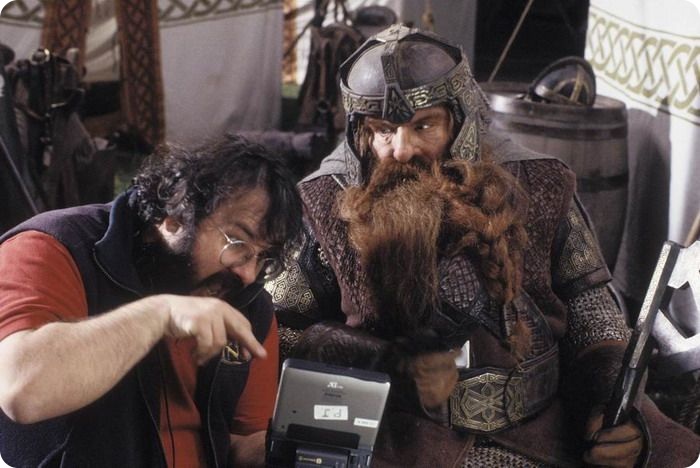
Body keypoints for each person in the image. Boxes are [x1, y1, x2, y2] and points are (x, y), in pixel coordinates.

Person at [266, 25, 700, 467]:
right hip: (393, 440)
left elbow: (591, 309)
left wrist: (610, 404)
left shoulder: (541, 183)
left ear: (460, 123)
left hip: (538, 435)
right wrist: (383, 359)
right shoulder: (328, 200)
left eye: (423, 125)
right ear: (361, 133)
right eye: (383, 131)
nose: (402, 149)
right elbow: (276, 327)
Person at [0, 135, 302, 467]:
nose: (247, 272)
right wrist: (159, 314)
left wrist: (301, 450)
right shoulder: (54, 248)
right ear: (176, 213)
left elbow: (239, 441)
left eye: (264, 256)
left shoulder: (248, 303)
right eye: (238, 242)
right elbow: (22, 391)